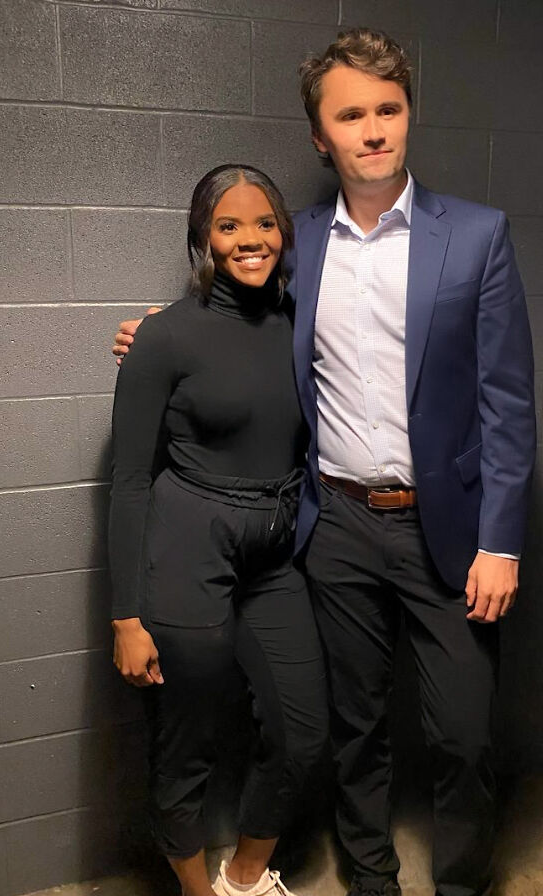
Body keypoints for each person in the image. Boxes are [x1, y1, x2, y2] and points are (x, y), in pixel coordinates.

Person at [114, 28, 536, 896]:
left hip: (451, 529)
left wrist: (502, 541)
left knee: (462, 737)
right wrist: (159, 331)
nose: (373, 130)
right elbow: (236, 294)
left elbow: (509, 402)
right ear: (321, 136)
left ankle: (461, 886)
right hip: (334, 526)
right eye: (351, 116)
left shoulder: (477, 236)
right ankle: (371, 880)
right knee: (354, 728)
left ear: (408, 116)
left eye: (388, 109)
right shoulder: (297, 241)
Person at [109, 164, 327, 896]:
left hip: (274, 550)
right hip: (188, 544)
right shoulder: (163, 337)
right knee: (188, 742)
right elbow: (129, 481)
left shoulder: (300, 324)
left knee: (302, 731)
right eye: (228, 225)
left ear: (283, 232)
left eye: (264, 223)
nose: (249, 239)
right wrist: (126, 616)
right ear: (203, 237)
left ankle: (245, 878)